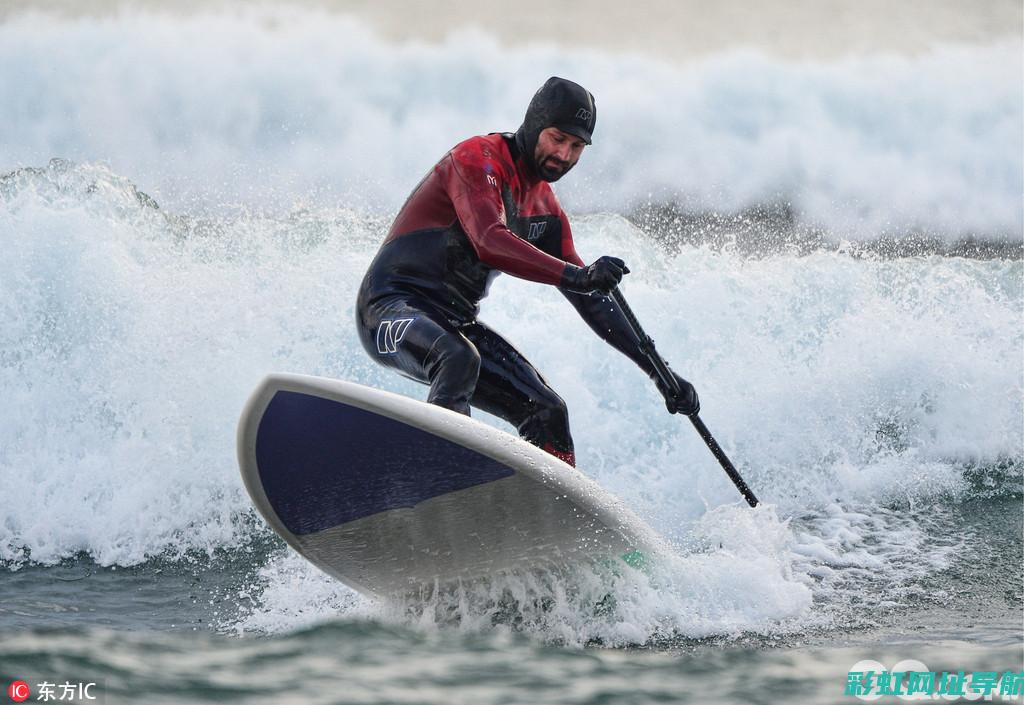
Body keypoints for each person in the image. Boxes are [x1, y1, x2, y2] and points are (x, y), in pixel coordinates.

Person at [356, 76, 698, 468]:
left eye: (577, 146)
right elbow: (489, 239)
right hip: (389, 307)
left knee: (548, 411)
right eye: (557, 139)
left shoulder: (546, 210)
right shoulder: (476, 159)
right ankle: (440, 481)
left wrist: (659, 374)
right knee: (456, 358)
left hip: (455, 322)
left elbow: (591, 299)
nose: (564, 155)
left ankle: (552, 520)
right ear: (534, 123)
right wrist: (576, 275)